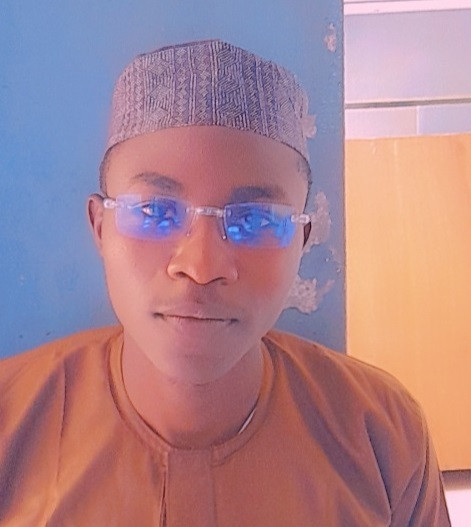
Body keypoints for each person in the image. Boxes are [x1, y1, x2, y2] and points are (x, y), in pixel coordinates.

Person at [0, 39, 450, 526]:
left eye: (255, 220)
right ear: (100, 227)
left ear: (301, 243)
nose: (201, 266)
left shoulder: (382, 436)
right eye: (154, 212)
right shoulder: (12, 423)